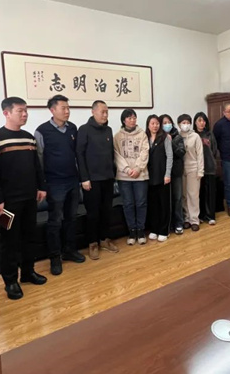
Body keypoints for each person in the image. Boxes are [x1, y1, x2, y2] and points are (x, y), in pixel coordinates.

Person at [0, 97, 47, 301]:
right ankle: (10, 281)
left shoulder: (29, 138)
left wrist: (41, 187)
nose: (25, 114)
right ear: (6, 113)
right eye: (20, 111)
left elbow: (37, 166)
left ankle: (28, 272)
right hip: (7, 202)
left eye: (26, 110)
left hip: (30, 198)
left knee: (30, 237)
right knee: (9, 242)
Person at [35, 95, 86, 276]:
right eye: (63, 108)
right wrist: (42, 184)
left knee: (71, 218)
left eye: (68, 108)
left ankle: (69, 250)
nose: (67, 111)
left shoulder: (72, 128)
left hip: (72, 180)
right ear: (52, 110)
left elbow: (76, 154)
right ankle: (55, 257)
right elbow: (39, 159)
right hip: (54, 183)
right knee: (55, 221)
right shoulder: (42, 131)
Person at [76, 100, 120, 260]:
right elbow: (79, 155)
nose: (105, 115)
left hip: (107, 178)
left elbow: (111, 154)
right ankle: (92, 243)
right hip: (91, 180)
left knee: (106, 211)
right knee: (93, 213)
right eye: (102, 111)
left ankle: (104, 239)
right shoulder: (84, 130)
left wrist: (113, 174)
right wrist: (84, 178)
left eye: (107, 112)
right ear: (93, 112)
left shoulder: (108, 130)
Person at [114, 109, 150, 245]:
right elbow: (116, 155)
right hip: (124, 176)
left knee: (141, 203)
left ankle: (140, 230)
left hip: (140, 175)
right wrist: (128, 169)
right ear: (124, 120)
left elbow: (145, 152)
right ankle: (132, 231)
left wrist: (138, 168)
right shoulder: (117, 136)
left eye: (134, 117)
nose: (132, 120)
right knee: (128, 204)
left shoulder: (142, 134)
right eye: (129, 118)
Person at [145, 114, 173, 242]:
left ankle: (164, 230)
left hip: (163, 176)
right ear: (148, 125)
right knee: (153, 204)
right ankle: (154, 229)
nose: (155, 126)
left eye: (157, 123)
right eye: (152, 123)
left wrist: (168, 174)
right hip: (149, 177)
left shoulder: (165, 138)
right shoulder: (145, 138)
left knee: (164, 204)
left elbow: (170, 156)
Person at [159, 114, 186, 234]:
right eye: (164, 123)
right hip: (163, 173)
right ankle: (168, 224)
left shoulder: (177, 136)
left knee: (177, 198)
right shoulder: (158, 137)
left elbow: (181, 152)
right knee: (166, 200)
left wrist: (171, 142)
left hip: (176, 172)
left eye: (169, 122)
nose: (167, 124)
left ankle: (179, 223)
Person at [177, 114, 204, 230]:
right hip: (181, 169)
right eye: (183, 123)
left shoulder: (195, 136)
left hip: (193, 168)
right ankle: (186, 218)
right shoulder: (177, 136)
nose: (186, 125)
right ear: (179, 124)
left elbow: (200, 154)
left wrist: (200, 171)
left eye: (187, 122)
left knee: (193, 195)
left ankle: (194, 220)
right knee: (184, 195)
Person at [194, 112, 218, 225]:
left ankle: (211, 216)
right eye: (199, 120)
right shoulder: (193, 135)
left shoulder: (209, 134)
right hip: (197, 169)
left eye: (204, 121)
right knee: (199, 193)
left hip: (209, 167)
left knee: (210, 193)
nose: (202, 123)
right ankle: (201, 215)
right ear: (195, 122)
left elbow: (214, 149)